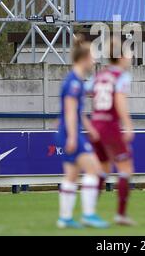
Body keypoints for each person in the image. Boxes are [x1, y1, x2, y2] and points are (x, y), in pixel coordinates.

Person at [56, 34, 109, 229]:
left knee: (71, 176)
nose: (94, 60)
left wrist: (89, 128)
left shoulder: (76, 80)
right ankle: (88, 215)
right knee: (94, 169)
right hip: (71, 133)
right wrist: (72, 136)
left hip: (68, 130)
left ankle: (65, 218)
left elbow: (75, 111)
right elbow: (70, 111)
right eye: (93, 57)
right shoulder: (75, 83)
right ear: (84, 58)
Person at [85, 38, 135, 226]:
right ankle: (121, 215)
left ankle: (89, 213)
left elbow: (87, 92)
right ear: (121, 57)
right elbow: (120, 101)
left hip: (96, 124)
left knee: (102, 169)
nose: (130, 57)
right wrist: (128, 125)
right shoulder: (121, 75)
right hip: (110, 127)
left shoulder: (99, 75)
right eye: (129, 54)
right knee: (125, 169)